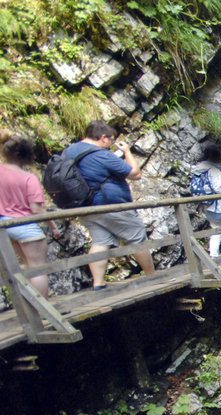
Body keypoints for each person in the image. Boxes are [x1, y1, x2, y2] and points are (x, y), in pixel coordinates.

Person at [63, 120, 155, 290]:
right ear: (103, 137)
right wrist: (126, 151)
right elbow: (135, 173)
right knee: (137, 237)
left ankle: (98, 283)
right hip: (110, 205)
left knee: (100, 241)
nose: (111, 144)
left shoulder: (69, 151)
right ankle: (152, 277)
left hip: (84, 206)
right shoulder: (100, 155)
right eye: (111, 140)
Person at [0, 134, 58, 298]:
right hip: (25, 226)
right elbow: (37, 209)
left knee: (25, 266)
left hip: (4, 226)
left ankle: (32, 305)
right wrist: (52, 227)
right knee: (38, 267)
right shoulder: (28, 178)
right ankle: (44, 308)